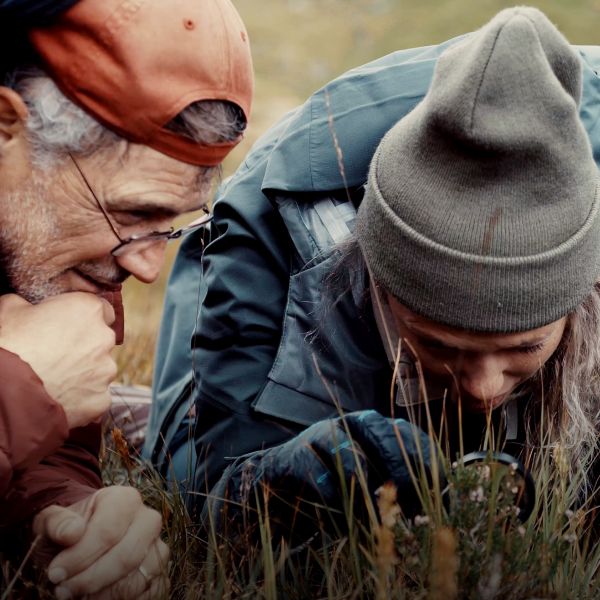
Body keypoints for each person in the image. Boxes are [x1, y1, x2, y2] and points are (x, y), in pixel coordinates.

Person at [147, 6, 600, 533]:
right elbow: (209, 486)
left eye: (523, 347)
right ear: (377, 284)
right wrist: (288, 476)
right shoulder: (267, 222)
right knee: (175, 458)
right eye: (441, 344)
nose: (483, 388)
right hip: (296, 284)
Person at [0, 0, 252, 596]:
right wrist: (22, 389)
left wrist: (64, 520)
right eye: (133, 213)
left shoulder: (56, 255)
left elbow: (53, 455)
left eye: (168, 223)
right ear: (7, 131)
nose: (145, 268)